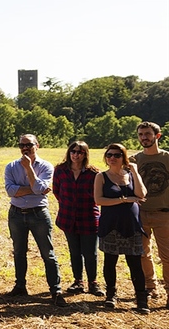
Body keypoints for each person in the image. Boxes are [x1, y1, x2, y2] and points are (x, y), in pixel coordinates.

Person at [4, 134, 67, 307]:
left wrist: (29, 170)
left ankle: (55, 290)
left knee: (48, 253)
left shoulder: (46, 166)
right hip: (16, 214)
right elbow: (10, 191)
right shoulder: (10, 166)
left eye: (29, 145)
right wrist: (33, 188)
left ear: (37, 146)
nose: (25, 148)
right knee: (19, 252)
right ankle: (20, 286)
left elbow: (40, 189)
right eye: (21, 145)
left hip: (38, 214)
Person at [94, 143, 149, 313]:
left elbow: (141, 194)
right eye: (109, 155)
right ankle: (111, 295)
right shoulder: (101, 176)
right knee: (110, 262)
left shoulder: (131, 175)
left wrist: (135, 171)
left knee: (135, 263)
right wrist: (125, 199)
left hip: (131, 226)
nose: (112, 158)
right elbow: (99, 200)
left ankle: (141, 299)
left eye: (117, 155)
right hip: (111, 226)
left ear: (123, 157)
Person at [53, 141, 103, 296]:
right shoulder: (60, 170)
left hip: (88, 217)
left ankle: (93, 283)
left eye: (80, 152)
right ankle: (78, 281)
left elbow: (98, 195)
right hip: (68, 217)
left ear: (85, 154)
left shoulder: (94, 173)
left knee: (90, 253)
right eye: (73, 151)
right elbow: (57, 191)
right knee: (74, 251)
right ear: (69, 153)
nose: (76, 155)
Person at [132, 121, 169, 306]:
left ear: (157, 136)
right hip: (140, 214)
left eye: (147, 134)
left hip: (164, 214)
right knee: (142, 254)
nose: (144, 138)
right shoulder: (134, 160)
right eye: (140, 134)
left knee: (167, 256)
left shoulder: (167, 158)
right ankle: (150, 287)